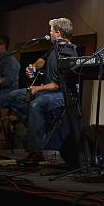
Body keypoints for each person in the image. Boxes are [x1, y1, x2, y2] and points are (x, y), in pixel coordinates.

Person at [8, 18, 78, 162]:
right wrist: (33, 66)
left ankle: (36, 151)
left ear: (58, 33)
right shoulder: (54, 47)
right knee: (13, 96)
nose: (49, 33)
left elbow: (59, 85)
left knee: (36, 104)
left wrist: (37, 88)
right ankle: (38, 126)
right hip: (48, 92)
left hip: (62, 94)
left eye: (51, 30)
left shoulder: (68, 52)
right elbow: (42, 60)